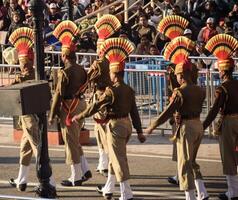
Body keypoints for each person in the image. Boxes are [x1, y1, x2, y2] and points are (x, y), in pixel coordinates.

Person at [72, 37, 146, 200]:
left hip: (116, 126)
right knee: (115, 156)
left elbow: (95, 106)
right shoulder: (129, 89)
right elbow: (134, 112)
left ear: (114, 74)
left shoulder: (111, 91)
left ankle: (126, 192)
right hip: (127, 125)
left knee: (118, 158)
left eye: (111, 73)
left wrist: (80, 115)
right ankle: (108, 188)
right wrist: (140, 132)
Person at [146, 36, 209, 200]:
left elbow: (169, 110)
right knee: (193, 161)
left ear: (181, 75)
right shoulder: (200, 90)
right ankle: (202, 192)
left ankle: (190, 196)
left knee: (184, 163)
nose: (177, 77)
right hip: (198, 126)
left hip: (187, 128)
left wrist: (153, 124)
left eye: (178, 75)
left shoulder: (180, 92)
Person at [6, 27, 56, 197]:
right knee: (25, 149)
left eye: (22, 62)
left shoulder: (25, 77)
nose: (21, 65)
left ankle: (51, 182)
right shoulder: (34, 74)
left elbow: (13, 87)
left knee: (38, 149)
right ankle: (22, 179)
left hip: (29, 118)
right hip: (27, 117)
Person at [48, 20, 91, 187]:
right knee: (74, 139)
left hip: (69, 107)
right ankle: (85, 169)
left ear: (64, 56)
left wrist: (52, 114)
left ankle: (76, 176)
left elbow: (58, 94)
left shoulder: (64, 72)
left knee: (70, 141)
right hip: (80, 105)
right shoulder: (81, 69)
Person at [203, 34, 238, 200]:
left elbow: (215, 109)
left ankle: (232, 192)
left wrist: (203, 126)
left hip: (229, 122)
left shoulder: (223, 88)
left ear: (223, 71)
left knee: (229, 158)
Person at [87, 14, 122, 176]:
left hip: (101, 97)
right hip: (112, 97)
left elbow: (87, 79)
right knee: (103, 130)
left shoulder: (99, 63)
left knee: (101, 130)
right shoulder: (113, 62)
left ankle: (105, 163)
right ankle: (104, 162)